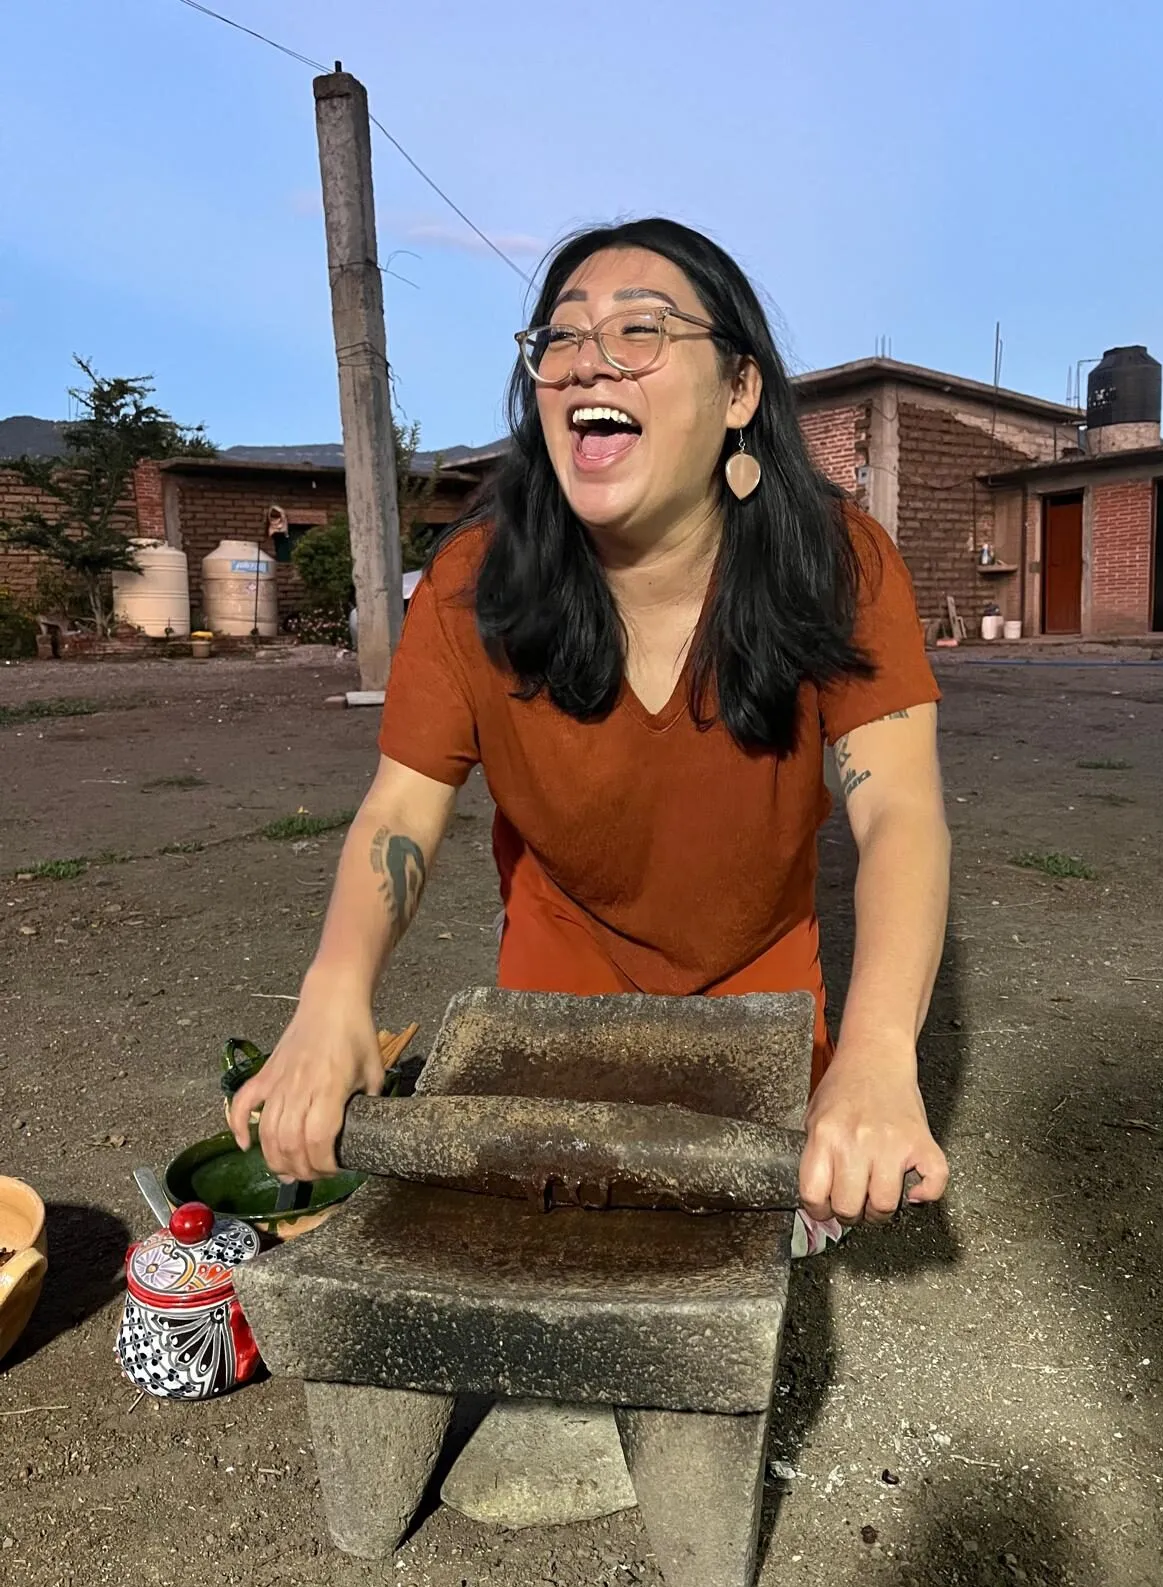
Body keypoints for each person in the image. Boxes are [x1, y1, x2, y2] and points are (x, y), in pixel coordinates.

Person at [231, 218, 951, 1233]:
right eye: (559, 340)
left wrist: (879, 1054)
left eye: (641, 331)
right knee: (558, 1242)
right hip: (556, 990)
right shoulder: (472, 586)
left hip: (762, 992)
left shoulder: (841, 565)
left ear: (739, 391)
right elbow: (399, 810)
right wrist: (333, 994)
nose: (586, 364)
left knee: (753, 1242)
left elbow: (902, 814)